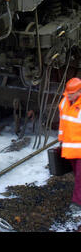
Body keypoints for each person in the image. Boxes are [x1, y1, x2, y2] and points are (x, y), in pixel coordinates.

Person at [59, 77, 81, 211]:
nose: (69, 96)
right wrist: (61, 139)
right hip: (70, 147)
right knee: (76, 174)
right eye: (68, 93)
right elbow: (63, 123)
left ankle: (77, 203)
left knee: (80, 176)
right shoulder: (64, 103)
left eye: (72, 94)